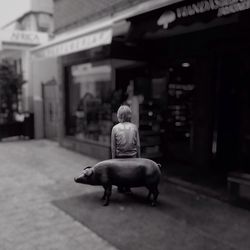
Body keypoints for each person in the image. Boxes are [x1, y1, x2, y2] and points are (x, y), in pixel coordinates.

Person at [111, 105, 141, 193]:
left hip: (120, 157)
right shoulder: (134, 127)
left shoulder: (115, 128)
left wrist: (113, 160)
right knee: (129, 173)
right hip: (132, 157)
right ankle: (128, 186)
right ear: (129, 115)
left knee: (120, 173)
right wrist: (139, 159)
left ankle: (120, 186)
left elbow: (113, 147)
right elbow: (138, 145)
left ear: (118, 115)